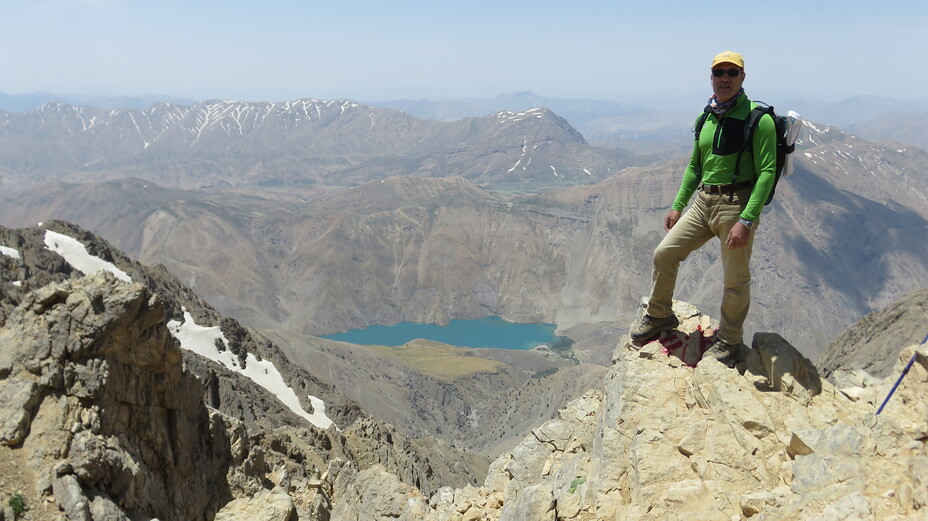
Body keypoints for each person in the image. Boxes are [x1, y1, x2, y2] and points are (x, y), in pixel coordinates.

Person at [630, 50, 777, 361]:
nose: (725, 78)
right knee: (664, 254)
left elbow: (766, 172)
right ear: (711, 77)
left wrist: (747, 220)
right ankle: (659, 315)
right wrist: (678, 205)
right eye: (719, 72)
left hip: (735, 205)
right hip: (703, 202)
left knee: (735, 279)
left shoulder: (758, 119)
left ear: (742, 78)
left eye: (731, 73)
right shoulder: (707, 116)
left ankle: (730, 340)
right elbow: (695, 166)